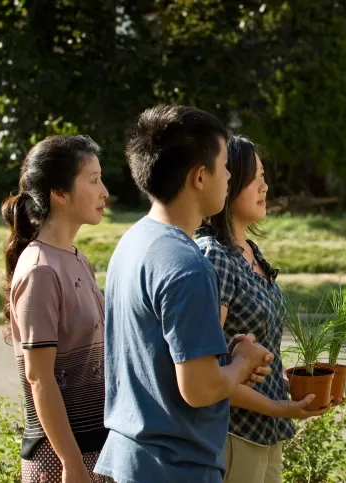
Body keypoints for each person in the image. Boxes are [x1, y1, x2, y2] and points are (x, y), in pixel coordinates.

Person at [93, 106, 273, 483]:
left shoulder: (133, 241)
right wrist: (241, 362)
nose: (229, 176)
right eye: (224, 165)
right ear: (200, 176)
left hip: (131, 460)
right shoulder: (187, 264)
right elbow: (199, 388)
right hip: (176, 468)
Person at [197, 136, 329, 483]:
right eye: (254, 177)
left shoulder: (249, 251)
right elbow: (207, 369)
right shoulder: (215, 257)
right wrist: (280, 407)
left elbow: (254, 346)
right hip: (236, 434)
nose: (265, 186)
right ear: (229, 182)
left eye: (264, 175)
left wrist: (285, 379)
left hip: (267, 434)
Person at [1, 135, 111, 483]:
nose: (105, 191)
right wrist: (71, 462)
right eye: (93, 180)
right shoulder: (39, 271)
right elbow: (39, 377)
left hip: (98, 450)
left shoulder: (78, 259)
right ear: (59, 193)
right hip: (60, 461)